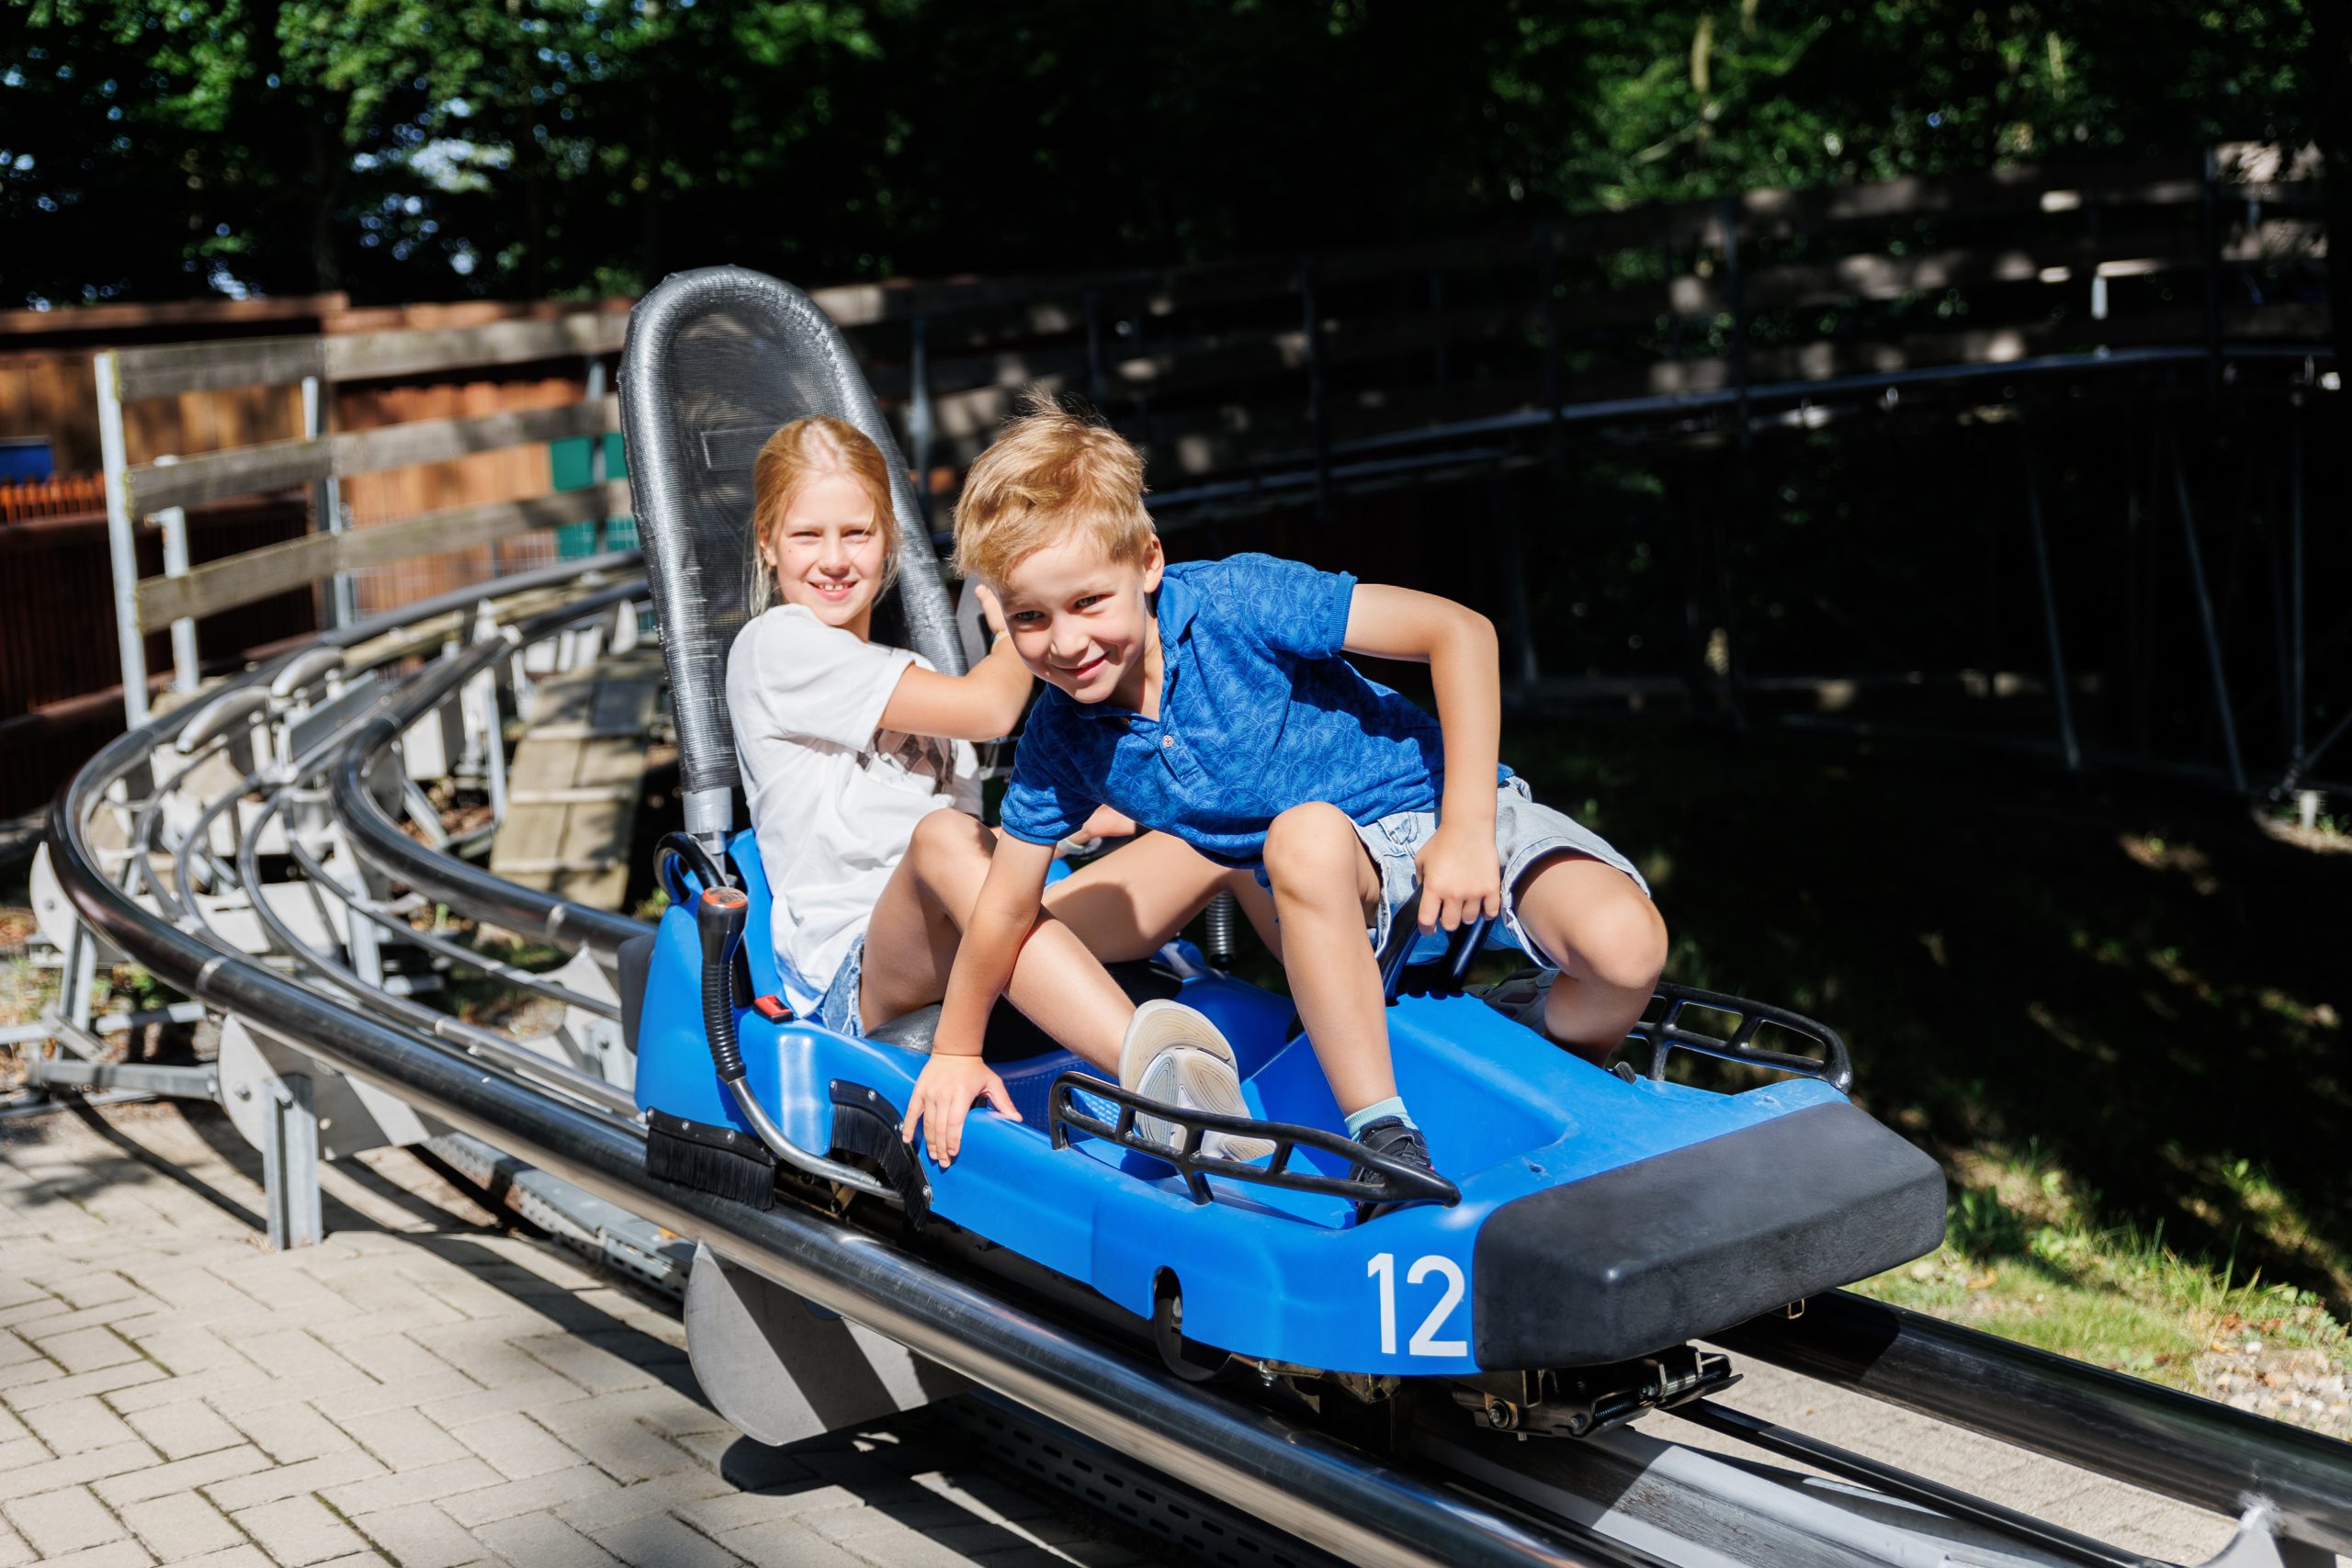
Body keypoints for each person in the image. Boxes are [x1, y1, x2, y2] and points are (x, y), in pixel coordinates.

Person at [932, 402, 1669, 1184]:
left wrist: (1465, 825)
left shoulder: (1237, 599)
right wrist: (955, 1048)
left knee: (1628, 951)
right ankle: (1381, 1134)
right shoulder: (1061, 737)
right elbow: (1005, 906)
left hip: (1447, 808)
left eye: (1088, 602)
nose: (1066, 641)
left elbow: (1459, 631)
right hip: (1336, 884)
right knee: (1303, 833)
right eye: (1029, 618)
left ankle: (1531, 1038)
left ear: (1147, 563)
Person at [725, 415, 1272, 1173]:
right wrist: (1024, 620)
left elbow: (966, 829)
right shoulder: (773, 645)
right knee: (942, 839)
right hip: (862, 972)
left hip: (977, 928)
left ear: (888, 538)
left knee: (1218, 828)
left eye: (857, 532)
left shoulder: (908, 670)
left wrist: (1080, 822)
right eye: (806, 536)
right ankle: (1162, 1081)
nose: (835, 559)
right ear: (767, 543)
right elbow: (989, 712)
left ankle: (1354, 1043)